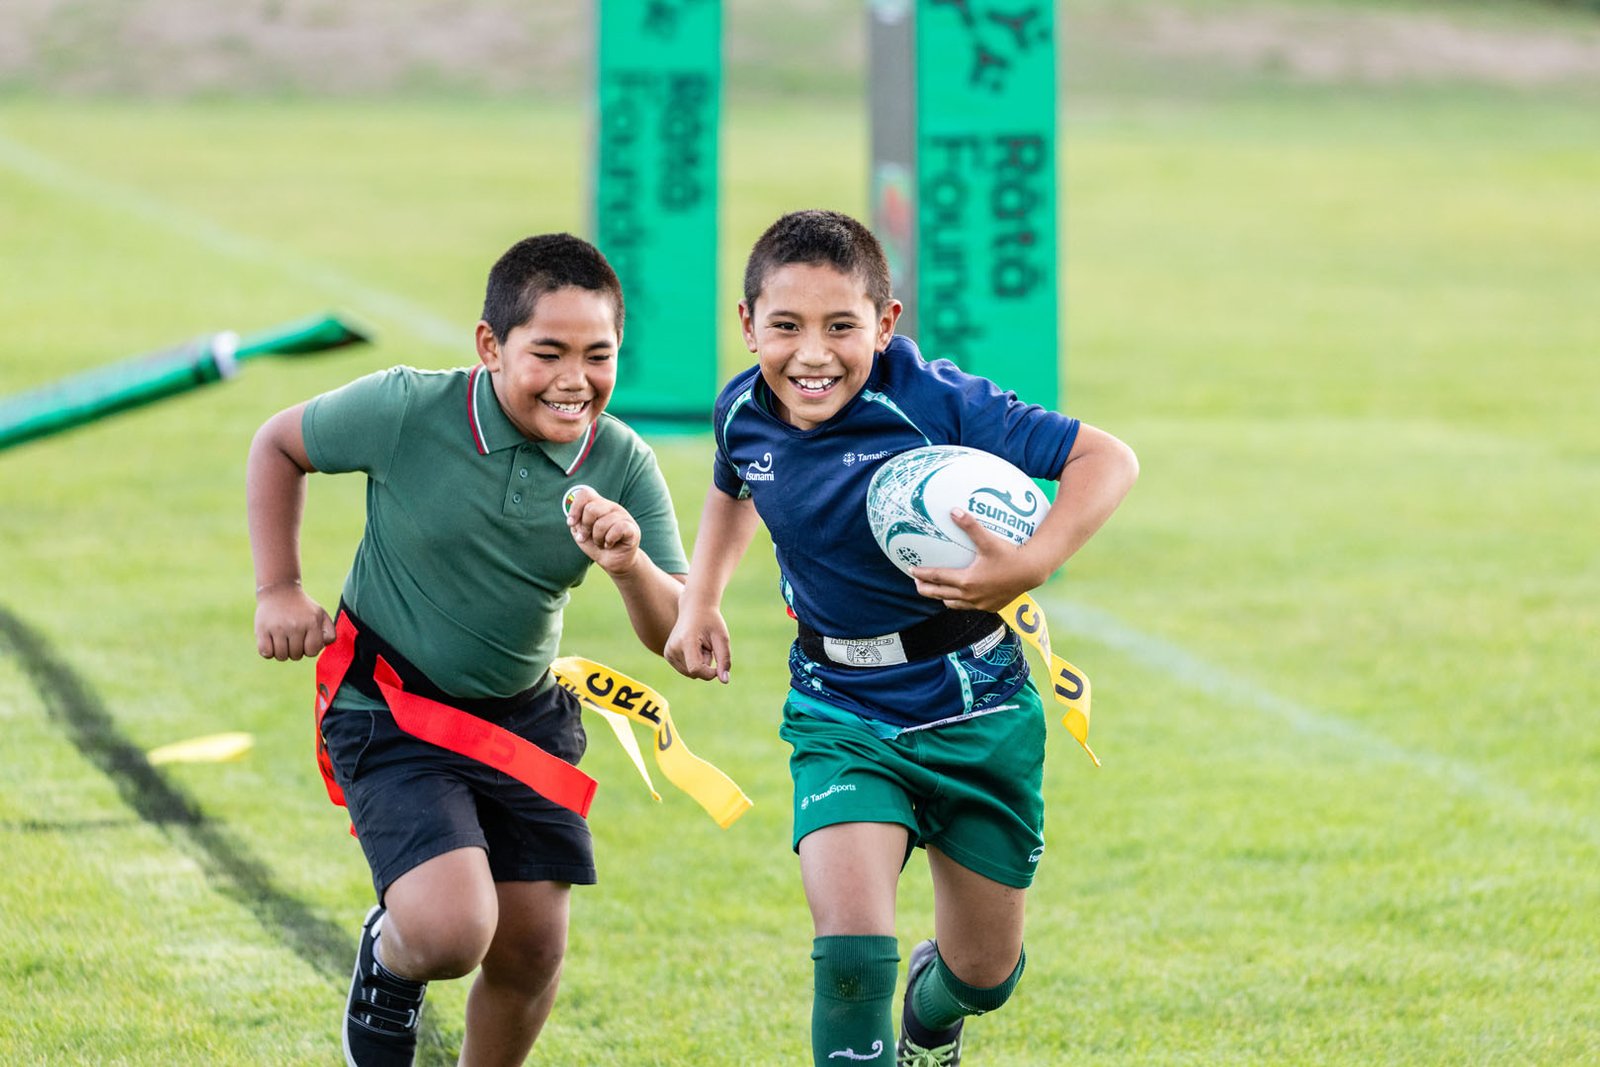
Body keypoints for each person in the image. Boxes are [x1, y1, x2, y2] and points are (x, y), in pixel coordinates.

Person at [664, 209, 1138, 1066]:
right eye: (786, 327)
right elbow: (735, 486)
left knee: (985, 972)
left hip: (976, 706)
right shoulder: (743, 408)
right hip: (839, 708)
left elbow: (1107, 459)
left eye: (841, 326)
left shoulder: (934, 400)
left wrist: (1029, 565)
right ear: (747, 325)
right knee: (849, 952)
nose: (813, 354)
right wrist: (701, 599)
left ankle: (935, 1011)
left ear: (885, 323)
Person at [247, 233, 688, 1066]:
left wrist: (629, 566)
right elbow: (278, 444)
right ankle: (392, 953)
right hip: (391, 708)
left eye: (598, 355)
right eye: (547, 352)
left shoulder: (624, 461)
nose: (575, 379)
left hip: (523, 720)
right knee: (452, 931)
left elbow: (681, 635)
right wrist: (279, 588)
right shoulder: (410, 409)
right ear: (490, 347)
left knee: (528, 953)